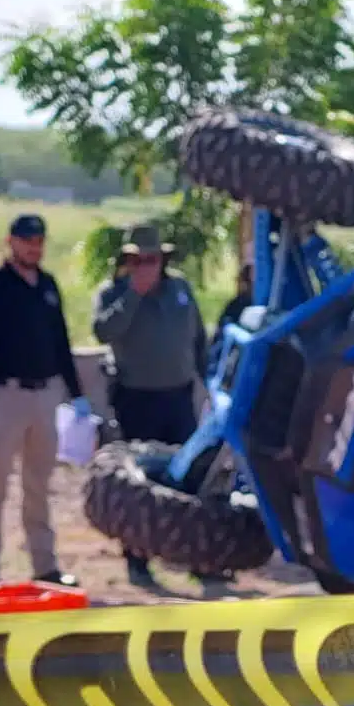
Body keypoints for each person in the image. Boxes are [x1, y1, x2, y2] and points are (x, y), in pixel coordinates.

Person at [0, 213, 93, 588]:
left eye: (39, 240)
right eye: (27, 240)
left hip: (44, 396)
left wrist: (77, 395)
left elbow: (61, 344)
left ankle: (45, 567)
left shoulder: (46, 286)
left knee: (38, 485)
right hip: (4, 396)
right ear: (11, 241)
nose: (34, 247)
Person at [91, 222, 209, 590]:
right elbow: (104, 331)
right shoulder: (114, 292)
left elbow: (198, 337)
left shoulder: (180, 290)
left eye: (152, 259)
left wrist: (209, 382)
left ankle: (197, 558)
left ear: (162, 259)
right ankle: (138, 560)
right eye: (138, 260)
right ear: (128, 262)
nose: (146, 266)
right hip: (136, 398)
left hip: (179, 397)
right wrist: (134, 296)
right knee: (138, 484)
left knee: (190, 478)